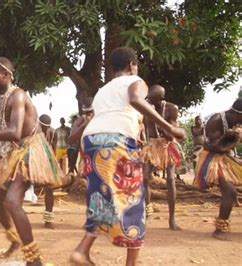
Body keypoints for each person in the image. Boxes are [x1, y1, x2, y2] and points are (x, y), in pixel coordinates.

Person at [70, 47, 185, 266]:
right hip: (117, 139)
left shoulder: (103, 90)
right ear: (132, 65)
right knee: (133, 198)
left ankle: (82, 251)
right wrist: (170, 129)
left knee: (102, 197)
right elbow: (134, 100)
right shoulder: (136, 81)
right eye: (136, 65)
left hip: (92, 141)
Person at [0, 57, 63, 265]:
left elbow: (15, 132)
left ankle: (34, 258)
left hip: (30, 150)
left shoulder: (18, 96)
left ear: (6, 75)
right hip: (14, 153)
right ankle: (15, 239)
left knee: (13, 201)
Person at [193, 99, 241, 241]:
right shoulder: (215, 121)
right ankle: (219, 229)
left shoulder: (237, 122)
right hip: (211, 158)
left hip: (226, 157)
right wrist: (230, 139)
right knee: (230, 191)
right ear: (235, 114)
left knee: (231, 192)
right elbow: (213, 147)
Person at [141, 85, 184, 230]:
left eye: (151, 99)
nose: (148, 100)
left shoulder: (172, 109)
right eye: (148, 98)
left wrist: (159, 121)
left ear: (160, 98)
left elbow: (170, 135)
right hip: (151, 146)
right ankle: (147, 213)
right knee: (144, 178)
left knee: (171, 179)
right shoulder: (145, 108)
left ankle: (172, 219)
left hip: (167, 145)